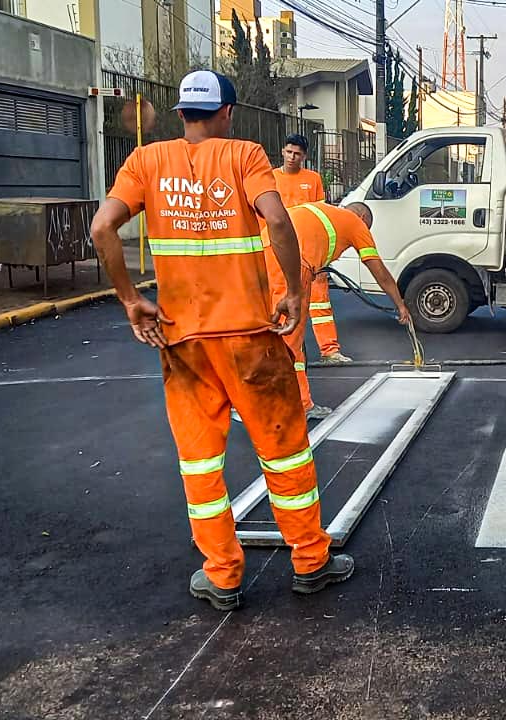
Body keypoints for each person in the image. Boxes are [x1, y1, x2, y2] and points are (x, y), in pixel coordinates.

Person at [88, 70, 354, 611]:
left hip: (181, 342)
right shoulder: (246, 155)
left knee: (200, 461)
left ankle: (223, 574)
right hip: (250, 337)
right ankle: (310, 561)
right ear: (227, 113)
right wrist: (296, 295)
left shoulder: (146, 162)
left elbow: (101, 229)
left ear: (182, 112)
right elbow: (278, 221)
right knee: (283, 452)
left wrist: (131, 301)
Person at [265, 200, 411, 420]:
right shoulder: (356, 222)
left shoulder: (323, 210)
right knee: (290, 339)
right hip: (294, 261)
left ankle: (252, 399)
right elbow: (378, 269)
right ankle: (301, 404)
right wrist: (400, 304)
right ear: (363, 219)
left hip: (264, 247)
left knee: (265, 327)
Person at [273, 134, 352, 365]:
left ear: (304, 156)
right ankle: (281, 351)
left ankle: (329, 350)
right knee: (280, 300)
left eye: (297, 153)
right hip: (280, 248)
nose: (292, 157)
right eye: (289, 152)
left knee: (320, 300)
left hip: (309, 250)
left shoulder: (313, 179)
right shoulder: (270, 177)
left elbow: (322, 213)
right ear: (283, 151)